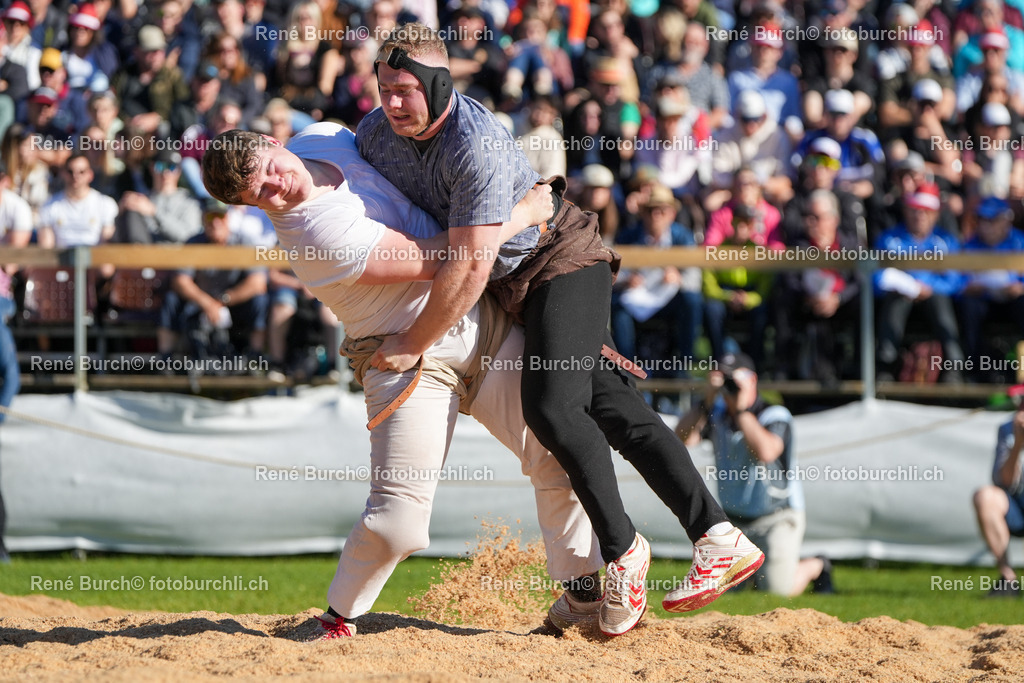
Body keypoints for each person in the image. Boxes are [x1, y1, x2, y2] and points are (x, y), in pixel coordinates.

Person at [356, 23, 763, 636]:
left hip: (560, 261)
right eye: (383, 88)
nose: (391, 103)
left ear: (438, 85)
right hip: (519, 288)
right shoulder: (373, 133)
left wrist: (412, 343)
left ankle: (623, 551)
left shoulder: (474, 142)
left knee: (550, 407)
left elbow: (471, 263)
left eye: (404, 89)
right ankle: (718, 536)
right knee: (614, 409)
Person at [201, 122, 603, 638]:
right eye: (259, 193)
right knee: (398, 521)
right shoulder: (315, 238)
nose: (275, 186)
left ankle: (583, 597)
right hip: (405, 354)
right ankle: (338, 617)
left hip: (478, 321)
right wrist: (520, 215)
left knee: (556, 450)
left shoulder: (325, 136)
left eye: (268, 169)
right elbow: (439, 258)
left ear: (273, 143)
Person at [675, 352, 833, 597]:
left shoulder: (774, 414)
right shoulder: (716, 413)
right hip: (733, 520)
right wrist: (706, 400)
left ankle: (817, 565)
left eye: (734, 379)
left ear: (753, 380)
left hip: (776, 518)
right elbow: (681, 438)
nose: (729, 386)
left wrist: (741, 411)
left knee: (779, 590)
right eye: (724, 379)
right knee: (721, 590)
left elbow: (766, 451)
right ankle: (751, 573)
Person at [156, 198, 268, 364]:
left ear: (228, 219)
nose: (215, 222)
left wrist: (222, 301)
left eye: (220, 216)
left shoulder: (244, 242)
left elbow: (258, 283)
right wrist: (207, 303)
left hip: (233, 301)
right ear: (203, 219)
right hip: (200, 302)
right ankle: (166, 359)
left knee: (260, 301)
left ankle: (255, 357)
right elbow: (180, 281)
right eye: (210, 217)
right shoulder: (193, 243)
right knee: (171, 299)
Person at [973, 387, 1024, 597]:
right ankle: (1008, 580)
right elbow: (1004, 482)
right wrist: (1018, 443)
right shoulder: (1007, 429)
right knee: (986, 497)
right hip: (1018, 507)